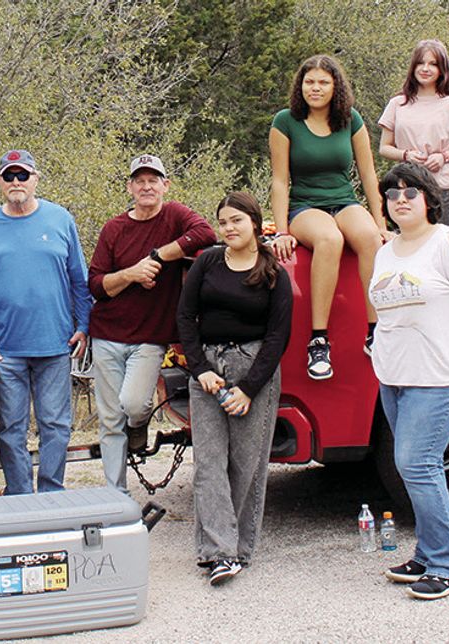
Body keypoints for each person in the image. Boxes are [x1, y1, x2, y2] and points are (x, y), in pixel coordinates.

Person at [371, 163, 449, 600]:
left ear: (429, 199)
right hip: (395, 377)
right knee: (415, 468)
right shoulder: (385, 252)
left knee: (416, 463)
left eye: (410, 191)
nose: (400, 199)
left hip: (442, 376)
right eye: (392, 194)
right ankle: (427, 553)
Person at [177, 191, 293, 587]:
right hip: (209, 369)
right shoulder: (206, 262)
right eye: (223, 222)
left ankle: (240, 550)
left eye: (236, 221)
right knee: (209, 463)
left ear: (255, 224)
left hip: (254, 368)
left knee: (247, 463)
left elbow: (279, 336)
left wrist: (248, 389)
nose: (228, 228)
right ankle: (218, 552)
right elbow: (185, 317)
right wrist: (200, 369)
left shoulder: (274, 270)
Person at [88, 154, 215, 492]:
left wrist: (158, 256)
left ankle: (139, 423)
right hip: (107, 333)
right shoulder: (114, 228)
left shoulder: (174, 216)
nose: (146, 186)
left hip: (150, 337)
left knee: (133, 404)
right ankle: (117, 494)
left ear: (164, 185)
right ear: (130, 187)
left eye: (153, 180)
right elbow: (97, 286)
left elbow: (205, 232)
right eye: (139, 181)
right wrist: (131, 274)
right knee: (110, 419)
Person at [0, 150, 91, 495]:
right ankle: (19, 495)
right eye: (9, 176)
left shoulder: (60, 219)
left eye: (23, 175)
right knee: (12, 428)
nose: (17, 182)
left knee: (55, 424)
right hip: (5, 349)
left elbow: (78, 277)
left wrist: (84, 323)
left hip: (55, 343)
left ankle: (51, 491)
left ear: (36, 179)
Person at [269, 54, 387, 379]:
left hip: (344, 200)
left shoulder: (351, 119)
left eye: (323, 82)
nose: (316, 88)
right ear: (300, 85)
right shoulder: (285, 121)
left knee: (370, 239)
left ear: (336, 86)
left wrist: (380, 222)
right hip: (305, 205)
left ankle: (375, 331)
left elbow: (368, 174)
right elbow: (280, 181)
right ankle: (318, 340)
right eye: (310, 82)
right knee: (329, 238)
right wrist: (281, 230)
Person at [378, 40, 449, 227]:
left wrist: (444, 157)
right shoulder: (397, 104)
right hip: (406, 191)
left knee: (448, 248)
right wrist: (407, 155)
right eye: (421, 63)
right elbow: (384, 147)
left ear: (442, 69)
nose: (425, 68)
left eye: (433, 64)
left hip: (445, 189)